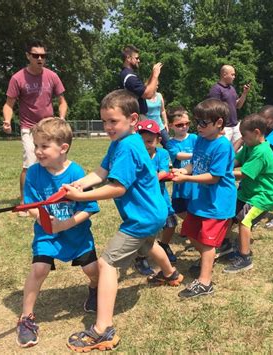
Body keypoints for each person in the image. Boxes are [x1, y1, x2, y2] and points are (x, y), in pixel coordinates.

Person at [64, 90, 183, 352]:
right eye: (104, 121)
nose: (107, 127)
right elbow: (101, 172)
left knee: (107, 264)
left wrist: (82, 196)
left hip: (142, 218)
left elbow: (117, 188)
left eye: (112, 121)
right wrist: (78, 185)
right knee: (147, 245)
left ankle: (102, 330)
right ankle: (170, 274)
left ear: (132, 119)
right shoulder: (122, 142)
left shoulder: (128, 146)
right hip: (153, 214)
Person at [16, 117, 98, 348]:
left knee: (94, 271)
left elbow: (89, 208)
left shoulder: (77, 172)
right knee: (39, 269)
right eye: (36, 146)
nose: (38, 152)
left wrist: (65, 224)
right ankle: (26, 318)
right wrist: (44, 220)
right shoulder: (33, 173)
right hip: (46, 234)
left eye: (44, 146)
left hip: (77, 235)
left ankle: (94, 289)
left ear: (63, 148)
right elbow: (31, 205)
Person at [172, 98, 237, 298]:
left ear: (219, 123)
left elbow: (214, 177)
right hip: (200, 199)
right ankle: (210, 258)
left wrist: (188, 178)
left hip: (217, 202)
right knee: (190, 232)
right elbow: (195, 162)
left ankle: (205, 282)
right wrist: (184, 171)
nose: (197, 126)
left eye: (202, 122)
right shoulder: (200, 139)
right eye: (197, 121)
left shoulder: (222, 146)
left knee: (207, 242)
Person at [3, 40, 68, 212]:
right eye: (35, 55)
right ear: (28, 56)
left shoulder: (52, 76)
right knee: (30, 164)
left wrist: (61, 118)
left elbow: (62, 102)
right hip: (29, 127)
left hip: (49, 127)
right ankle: (25, 201)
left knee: (54, 161)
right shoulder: (18, 78)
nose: (40, 58)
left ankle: (52, 196)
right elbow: (8, 104)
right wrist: (7, 120)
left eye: (43, 55)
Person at [223, 114, 273, 273]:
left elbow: (244, 173)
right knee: (230, 215)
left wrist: (220, 172)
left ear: (256, 132)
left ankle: (244, 257)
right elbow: (237, 161)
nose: (242, 139)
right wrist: (226, 165)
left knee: (244, 221)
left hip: (264, 195)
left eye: (244, 136)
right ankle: (225, 245)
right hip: (248, 192)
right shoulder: (250, 145)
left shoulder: (262, 151)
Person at [134, 119, 178, 268]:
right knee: (147, 231)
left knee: (171, 223)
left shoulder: (163, 153)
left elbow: (164, 170)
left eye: (149, 141)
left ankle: (164, 245)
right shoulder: (137, 155)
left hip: (161, 199)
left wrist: (151, 179)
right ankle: (141, 257)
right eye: (141, 142)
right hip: (144, 201)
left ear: (159, 140)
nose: (145, 145)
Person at [163, 107, 198, 262]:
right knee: (178, 208)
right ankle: (192, 225)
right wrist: (197, 153)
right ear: (170, 126)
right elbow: (178, 155)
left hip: (195, 183)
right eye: (179, 125)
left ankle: (194, 230)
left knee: (194, 208)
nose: (184, 127)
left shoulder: (195, 138)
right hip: (180, 183)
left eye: (187, 123)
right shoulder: (170, 143)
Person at [208, 65, 250, 151]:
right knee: (223, 151)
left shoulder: (232, 89)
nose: (234, 77)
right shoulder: (216, 89)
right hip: (224, 128)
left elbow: (238, 105)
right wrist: (219, 128)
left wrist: (244, 93)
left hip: (235, 126)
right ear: (224, 75)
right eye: (232, 74)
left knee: (238, 152)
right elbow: (214, 110)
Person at [119, 45, 162, 115]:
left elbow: (145, 88)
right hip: (136, 117)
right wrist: (155, 75)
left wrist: (152, 74)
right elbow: (148, 94)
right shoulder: (129, 77)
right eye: (136, 58)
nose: (139, 60)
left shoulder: (128, 75)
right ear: (128, 58)